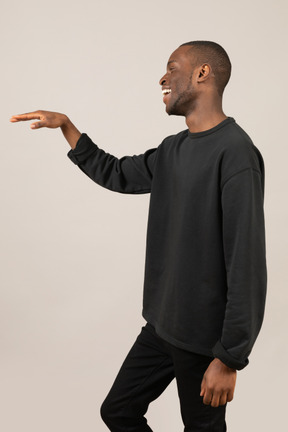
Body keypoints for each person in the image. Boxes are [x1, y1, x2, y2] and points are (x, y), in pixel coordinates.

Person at [10, 40, 267, 432]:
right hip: (162, 325)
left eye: (173, 67)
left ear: (203, 73)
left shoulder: (235, 153)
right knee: (118, 411)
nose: (163, 77)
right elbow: (116, 172)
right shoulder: (171, 150)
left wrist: (230, 357)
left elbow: (246, 262)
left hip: (203, 341)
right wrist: (66, 126)